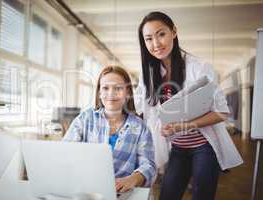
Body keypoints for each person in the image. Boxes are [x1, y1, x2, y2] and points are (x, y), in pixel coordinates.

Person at [135, 11, 243, 200]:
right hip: (177, 147)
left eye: (161, 34)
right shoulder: (150, 74)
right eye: (149, 39)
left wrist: (181, 126)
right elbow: (142, 111)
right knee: (167, 194)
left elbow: (221, 113)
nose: (156, 44)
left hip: (204, 146)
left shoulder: (199, 67)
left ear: (174, 32)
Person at [63, 66, 156, 193]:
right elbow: (65, 152)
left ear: (127, 92)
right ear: (99, 93)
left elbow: (148, 166)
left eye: (118, 88)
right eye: (105, 88)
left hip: (123, 192)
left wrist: (133, 179)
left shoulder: (140, 128)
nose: (111, 93)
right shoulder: (85, 119)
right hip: (86, 190)